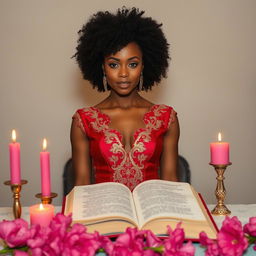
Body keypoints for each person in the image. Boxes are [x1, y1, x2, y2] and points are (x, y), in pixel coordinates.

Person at [71, 7, 180, 190]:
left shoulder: (167, 118)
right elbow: (81, 186)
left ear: (144, 66)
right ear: (102, 67)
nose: (123, 73)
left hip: (151, 214)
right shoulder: (84, 121)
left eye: (133, 64)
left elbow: (171, 181)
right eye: (114, 64)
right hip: (105, 214)